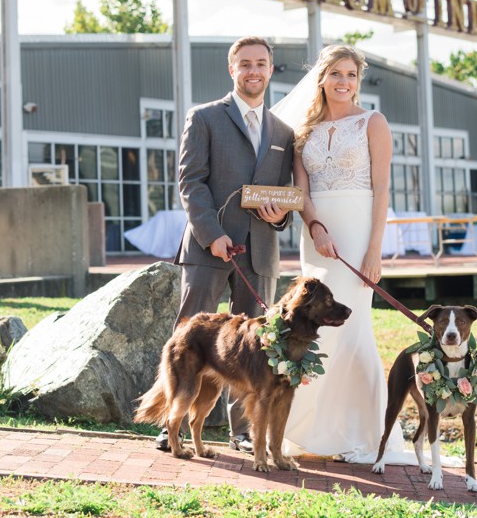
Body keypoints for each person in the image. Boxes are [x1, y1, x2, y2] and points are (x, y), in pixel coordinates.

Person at [273, 44, 415, 466]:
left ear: (359, 80)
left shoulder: (373, 122)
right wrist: (314, 226)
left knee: (351, 331)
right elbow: (302, 191)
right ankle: (304, 430)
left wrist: (375, 251)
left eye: (351, 75)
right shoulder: (305, 131)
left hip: (357, 235)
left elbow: (382, 189)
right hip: (317, 238)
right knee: (311, 328)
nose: (344, 82)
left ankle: (365, 433)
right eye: (336, 73)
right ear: (322, 78)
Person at [155, 36, 296, 453]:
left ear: (271, 69)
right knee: (188, 339)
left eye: (262, 64)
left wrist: (281, 215)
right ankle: (171, 425)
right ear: (231, 68)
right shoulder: (204, 118)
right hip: (207, 247)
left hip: (260, 252)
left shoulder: (283, 132)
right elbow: (190, 181)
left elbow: (284, 193)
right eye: (245, 64)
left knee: (255, 347)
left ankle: (242, 432)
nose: (254, 71)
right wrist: (211, 234)